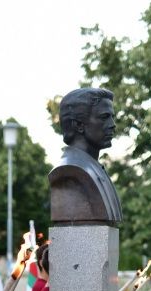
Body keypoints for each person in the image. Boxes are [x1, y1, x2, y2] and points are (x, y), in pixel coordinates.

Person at [49, 87, 122, 224]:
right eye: (104, 117)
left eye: (112, 117)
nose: (113, 125)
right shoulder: (69, 172)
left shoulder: (95, 169)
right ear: (79, 125)